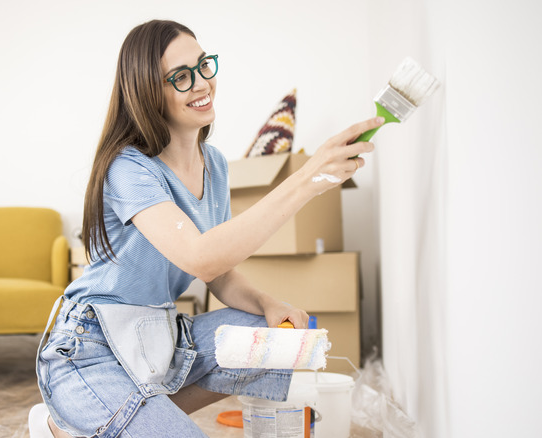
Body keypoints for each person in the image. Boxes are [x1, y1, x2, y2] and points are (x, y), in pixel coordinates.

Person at [29, 19, 379, 438]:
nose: (200, 84)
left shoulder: (213, 165)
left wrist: (268, 303)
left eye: (203, 66)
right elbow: (200, 255)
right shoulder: (128, 168)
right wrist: (307, 179)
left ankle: (129, 417)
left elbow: (217, 272)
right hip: (89, 350)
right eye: (180, 77)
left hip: (156, 342)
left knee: (272, 339)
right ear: (146, 90)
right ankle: (62, 425)